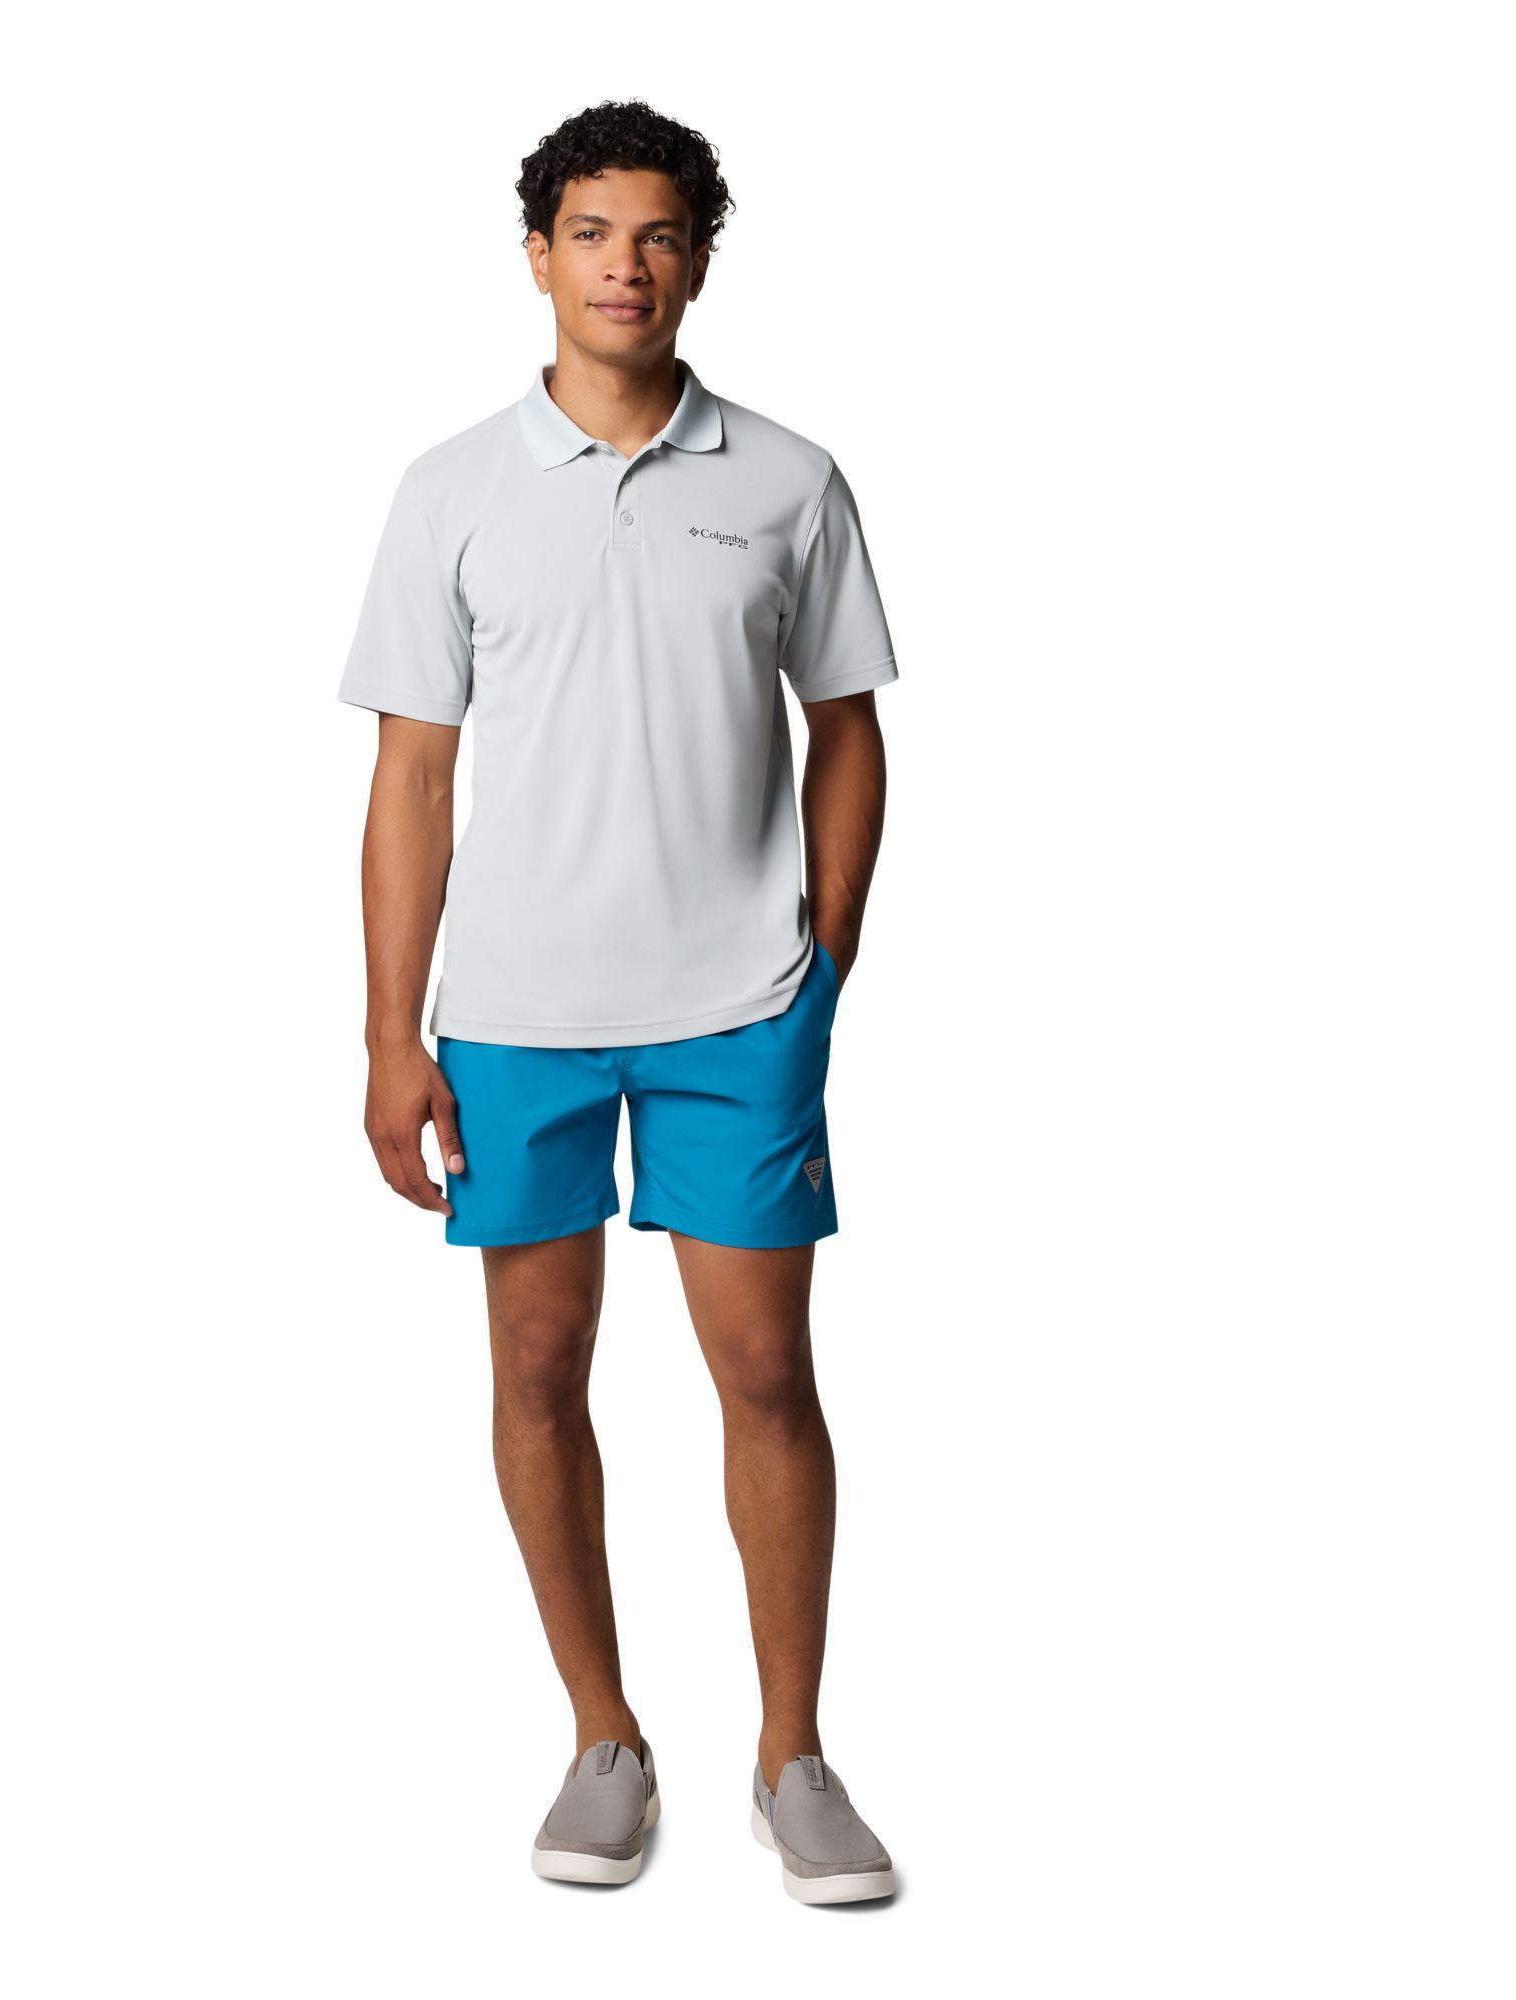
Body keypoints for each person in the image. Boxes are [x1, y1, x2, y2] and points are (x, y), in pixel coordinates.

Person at [337, 99, 899, 1904]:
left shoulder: (789, 479)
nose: (623, 266)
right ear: (537, 257)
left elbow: (847, 728)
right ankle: (602, 1737)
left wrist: (825, 950)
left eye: (657, 235)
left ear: (698, 262)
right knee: (534, 1362)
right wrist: (389, 1035)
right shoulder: (449, 490)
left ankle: (792, 1757)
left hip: (738, 1003)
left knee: (764, 1372)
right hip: (513, 1014)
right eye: (590, 233)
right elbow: (412, 777)